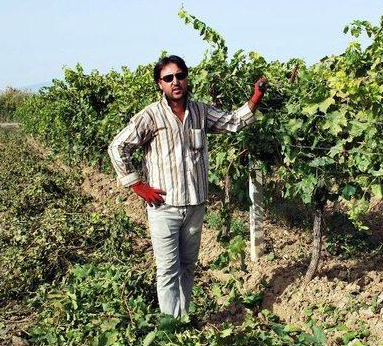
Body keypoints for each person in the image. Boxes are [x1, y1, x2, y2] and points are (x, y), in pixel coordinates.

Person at [108, 55, 267, 317]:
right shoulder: (150, 116)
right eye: (168, 78)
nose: (175, 82)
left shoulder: (200, 112)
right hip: (164, 207)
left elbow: (232, 122)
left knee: (187, 266)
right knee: (167, 270)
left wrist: (255, 98)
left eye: (180, 76)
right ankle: (171, 328)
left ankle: (183, 319)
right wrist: (137, 185)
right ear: (160, 84)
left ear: (187, 78)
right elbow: (118, 146)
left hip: (195, 205)